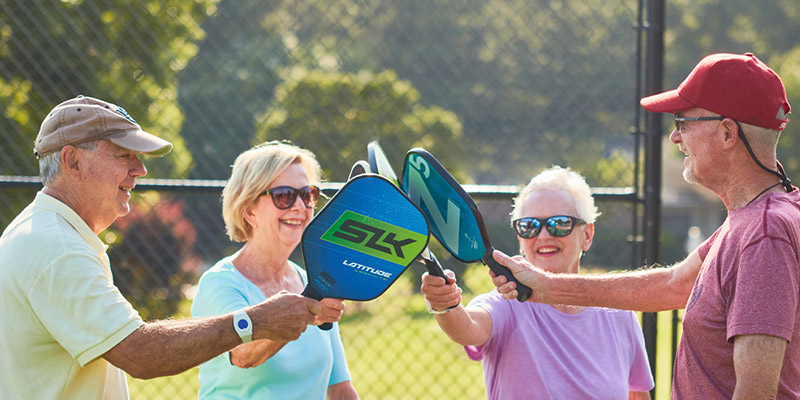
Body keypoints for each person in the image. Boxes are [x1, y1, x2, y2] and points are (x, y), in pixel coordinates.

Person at [491, 53, 800, 399]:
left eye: (682, 121)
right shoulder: (752, 219)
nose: (675, 137)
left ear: (727, 132)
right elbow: (672, 285)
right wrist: (547, 287)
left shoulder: (765, 232)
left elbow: (756, 393)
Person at [0, 96, 343, 399]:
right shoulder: (57, 248)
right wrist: (254, 321)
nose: (141, 170)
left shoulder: (50, 234)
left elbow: (134, 338)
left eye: (308, 194)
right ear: (72, 161)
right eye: (124, 155)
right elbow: (140, 352)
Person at [421, 166, 654, 399]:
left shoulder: (619, 315)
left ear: (588, 235)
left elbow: (637, 394)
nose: (543, 235)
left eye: (560, 223)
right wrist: (445, 304)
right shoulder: (507, 303)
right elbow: (468, 327)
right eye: (529, 226)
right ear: (520, 240)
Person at [191, 141, 359, 399]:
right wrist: (307, 310)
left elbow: (339, 390)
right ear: (249, 212)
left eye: (307, 194)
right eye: (283, 195)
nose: (300, 207)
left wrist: (309, 304)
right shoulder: (219, 284)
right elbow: (244, 354)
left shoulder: (311, 281)